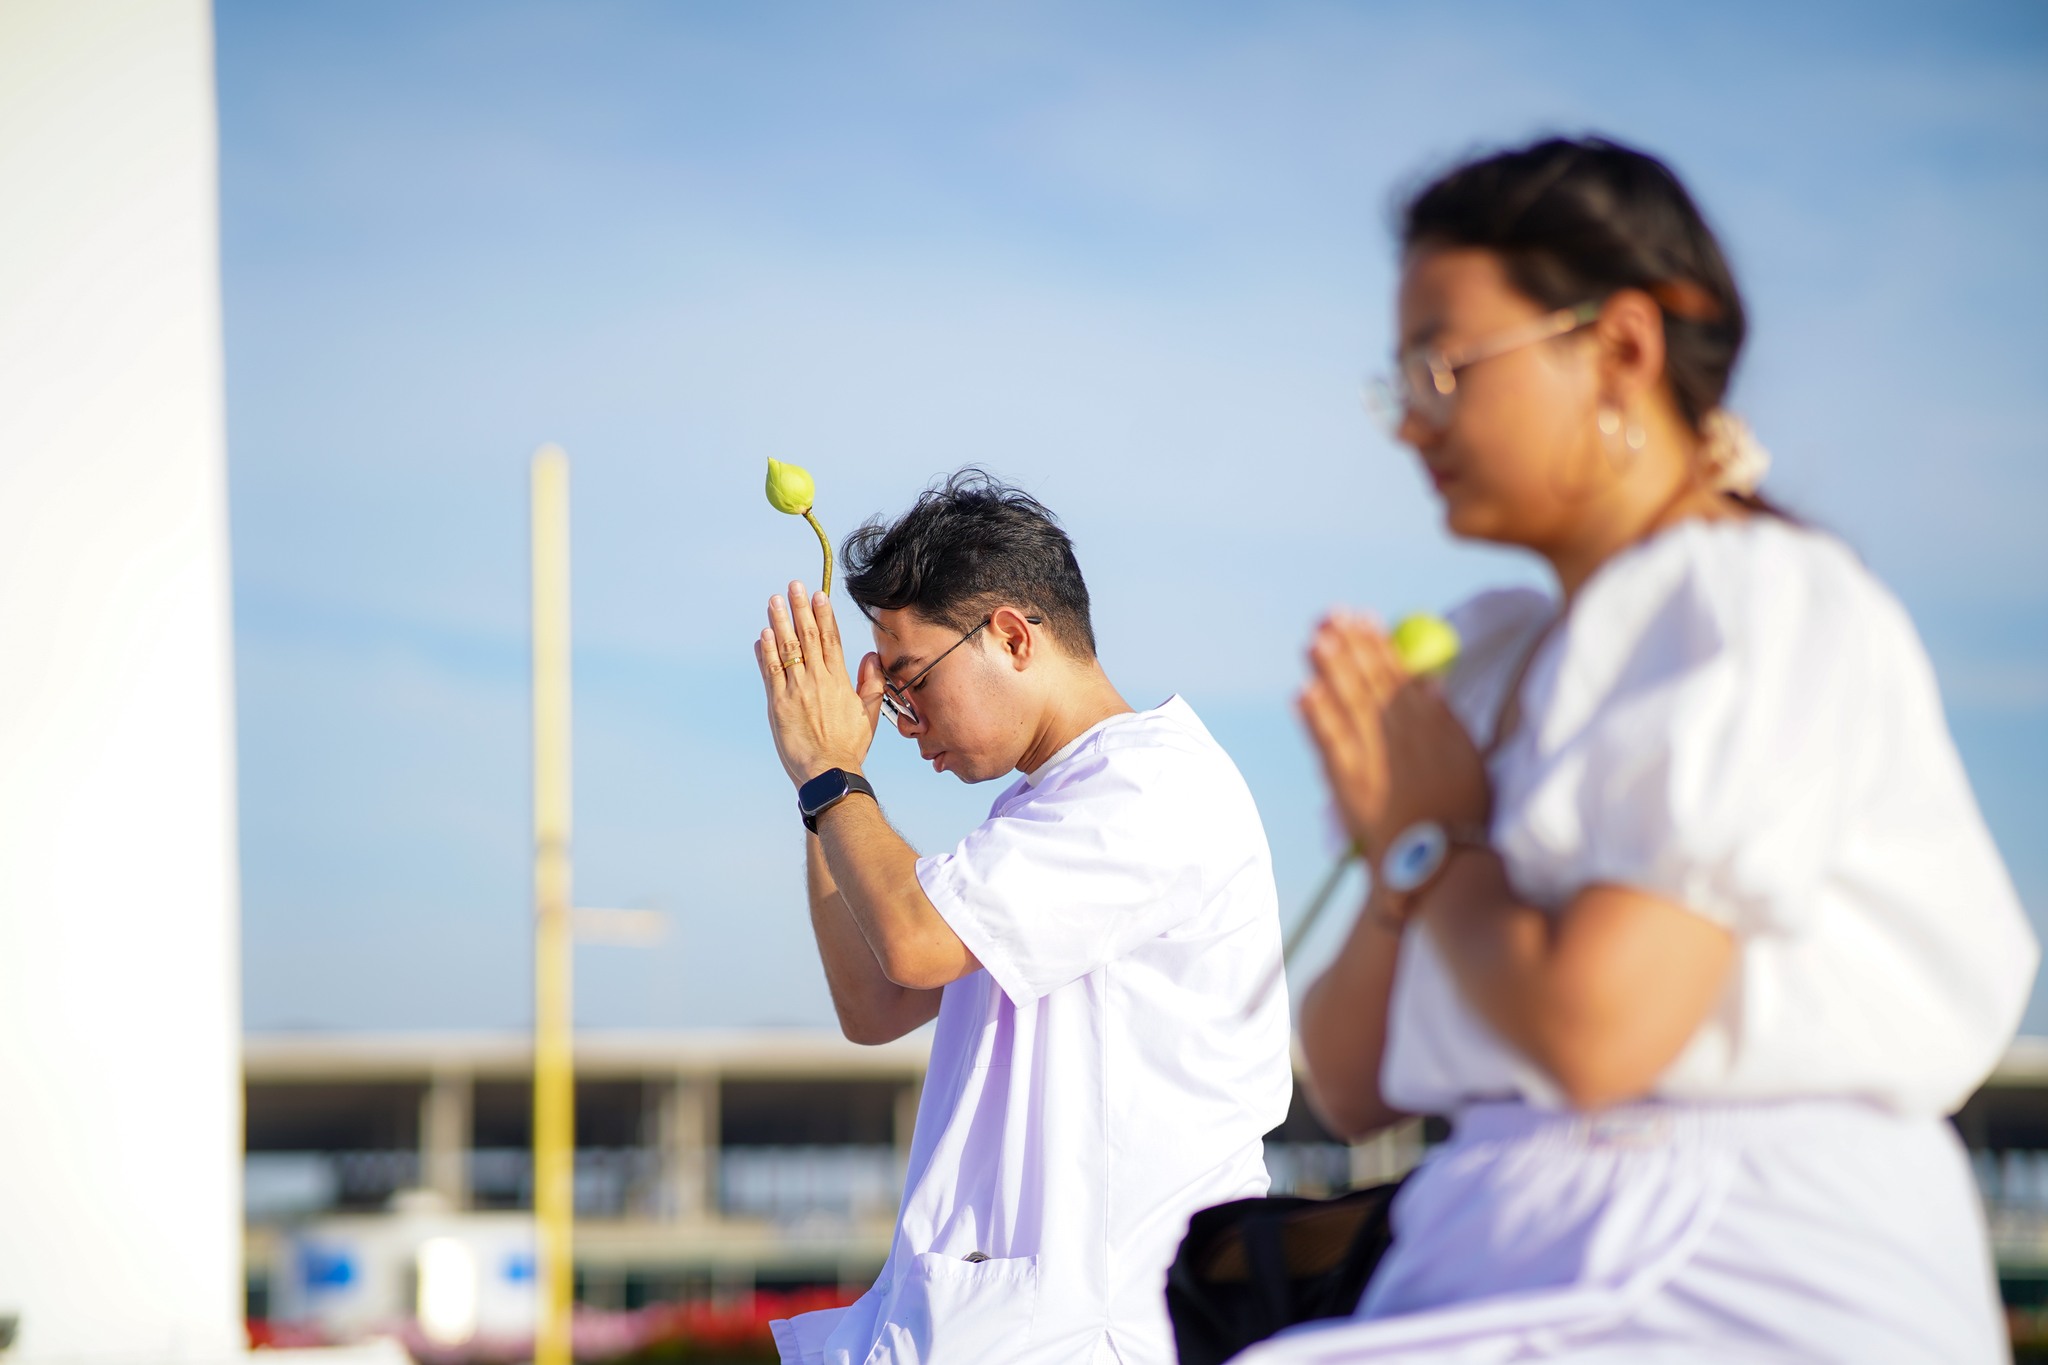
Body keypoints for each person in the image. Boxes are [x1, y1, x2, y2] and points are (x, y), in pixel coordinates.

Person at [1243, 137, 2038, 1363]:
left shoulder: (1752, 600)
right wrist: (1405, 849)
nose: (1411, 423)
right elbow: (1350, 1081)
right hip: (1528, 1236)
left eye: (1442, 366)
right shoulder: (1499, 657)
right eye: (1399, 378)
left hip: (1731, 1256)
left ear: (1619, 348)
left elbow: (1595, 1032)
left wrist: (1429, 839)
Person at [751, 472, 1294, 1365]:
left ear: (1010, 635)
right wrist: (823, 794)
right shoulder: (1043, 813)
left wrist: (832, 776)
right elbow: (874, 1003)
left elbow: (913, 944)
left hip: (1102, 1333)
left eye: (913, 678)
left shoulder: (1149, 785)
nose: (905, 717)